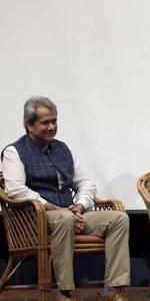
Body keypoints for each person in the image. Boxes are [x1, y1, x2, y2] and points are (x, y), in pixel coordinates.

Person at [1, 96, 130, 301]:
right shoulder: (14, 151)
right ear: (29, 125)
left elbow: (86, 183)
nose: (52, 127)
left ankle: (113, 289)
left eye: (54, 121)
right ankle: (65, 292)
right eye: (45, 122)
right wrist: (57, 209)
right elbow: (16, 190)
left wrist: (79, 206)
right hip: (35, 219)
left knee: (118, 218)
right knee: (65, 219)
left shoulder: (63, 149)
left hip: (69, 215)